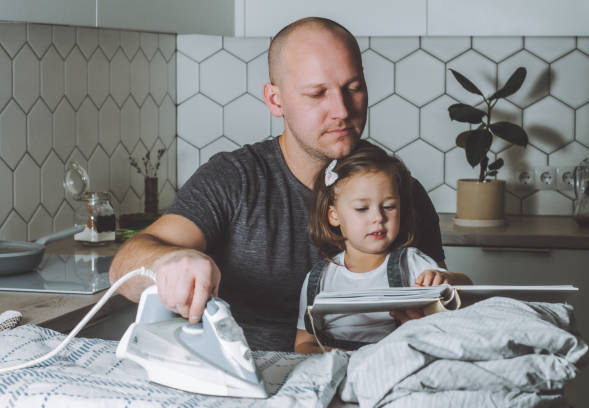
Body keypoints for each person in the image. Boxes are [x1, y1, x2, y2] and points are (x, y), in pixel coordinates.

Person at [109, 17, 447, 352]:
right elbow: (125, 264)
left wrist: (434, 314)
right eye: (317, 94)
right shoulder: (235, 178)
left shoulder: (403, 192)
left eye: (353, 88)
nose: (341, 110)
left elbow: (443, 301)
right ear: (275, 100)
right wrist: (170, 261)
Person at [294, 144, 471, 354]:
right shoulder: (319, 278)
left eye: (389, 206)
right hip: (337, 367)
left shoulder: (412, 263)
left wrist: (447, 280)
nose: (378, 217)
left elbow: (466, 290)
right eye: (361, 208)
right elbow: (303, 344)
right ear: (334, 215)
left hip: (397, 362)